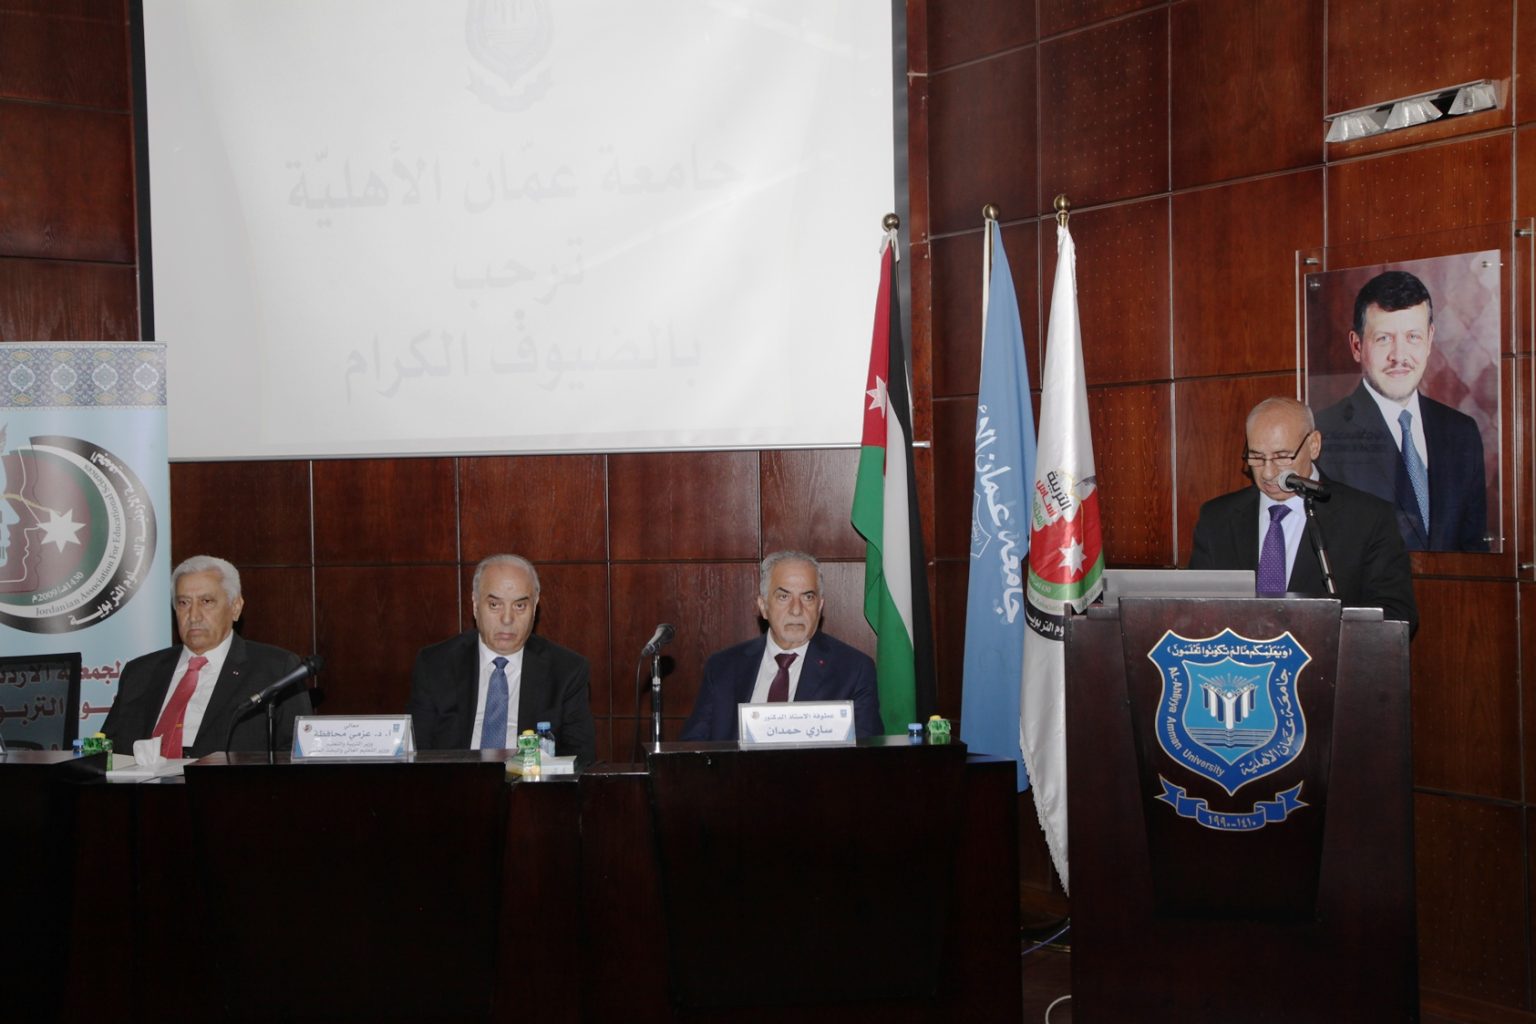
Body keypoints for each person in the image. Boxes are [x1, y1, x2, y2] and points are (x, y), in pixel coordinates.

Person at [1190, 397, 1418, 636]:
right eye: (1256, 457)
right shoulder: (1216, 519)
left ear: (1313, 445)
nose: (1267, 472)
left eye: (1281, 456)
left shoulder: (1368, 518)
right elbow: (1194, 608)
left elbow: (1396, 615)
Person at [1315, 269, 1488, 551]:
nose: (1399, 356)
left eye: (1413, 337)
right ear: (1357, 345)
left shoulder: (1462, 432)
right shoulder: (1323, 434)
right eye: (1384, 338)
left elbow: (1474, 551)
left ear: (1430, 339)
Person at [102, 555, 313, 757]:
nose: (193, 616)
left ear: (235, 608)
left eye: (206, 601)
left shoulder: (275, 669)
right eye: (183, 603)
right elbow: (106, 752)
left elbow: (299, 753)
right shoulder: (140, 673)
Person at [408, 553, 596, 766]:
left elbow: (580, 760)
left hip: (530, 784)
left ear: (535, 607)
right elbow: (418, 755)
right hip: (456, 783)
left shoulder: (567, 671)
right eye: (494, 605)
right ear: (475, 605)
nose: (507, 619)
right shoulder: (435, 664)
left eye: (519, 606)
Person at [680, 550, 882, 740]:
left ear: (820, 606)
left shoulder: (853, 670)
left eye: (808, 597)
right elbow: (693, 748)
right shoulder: (722, 667)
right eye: (784, 597)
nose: (796, 610)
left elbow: (867, 756)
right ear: (763, 606)